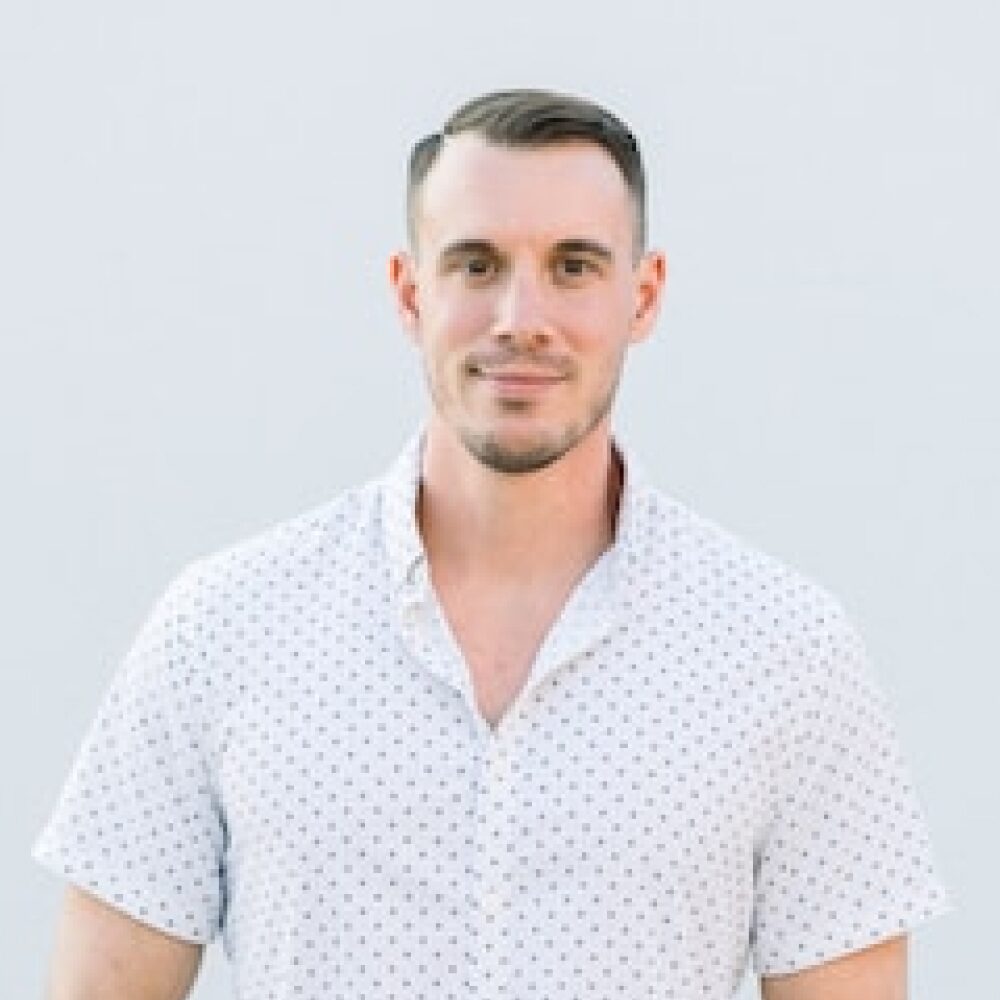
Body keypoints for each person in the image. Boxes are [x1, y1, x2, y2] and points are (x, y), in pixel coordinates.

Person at [33, 88, 953, 1000]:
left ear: (643, 296)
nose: (520, 317)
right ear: (410, 293)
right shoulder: (225, 627)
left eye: (574, 266)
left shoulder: (785, 651)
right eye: (476, 265)